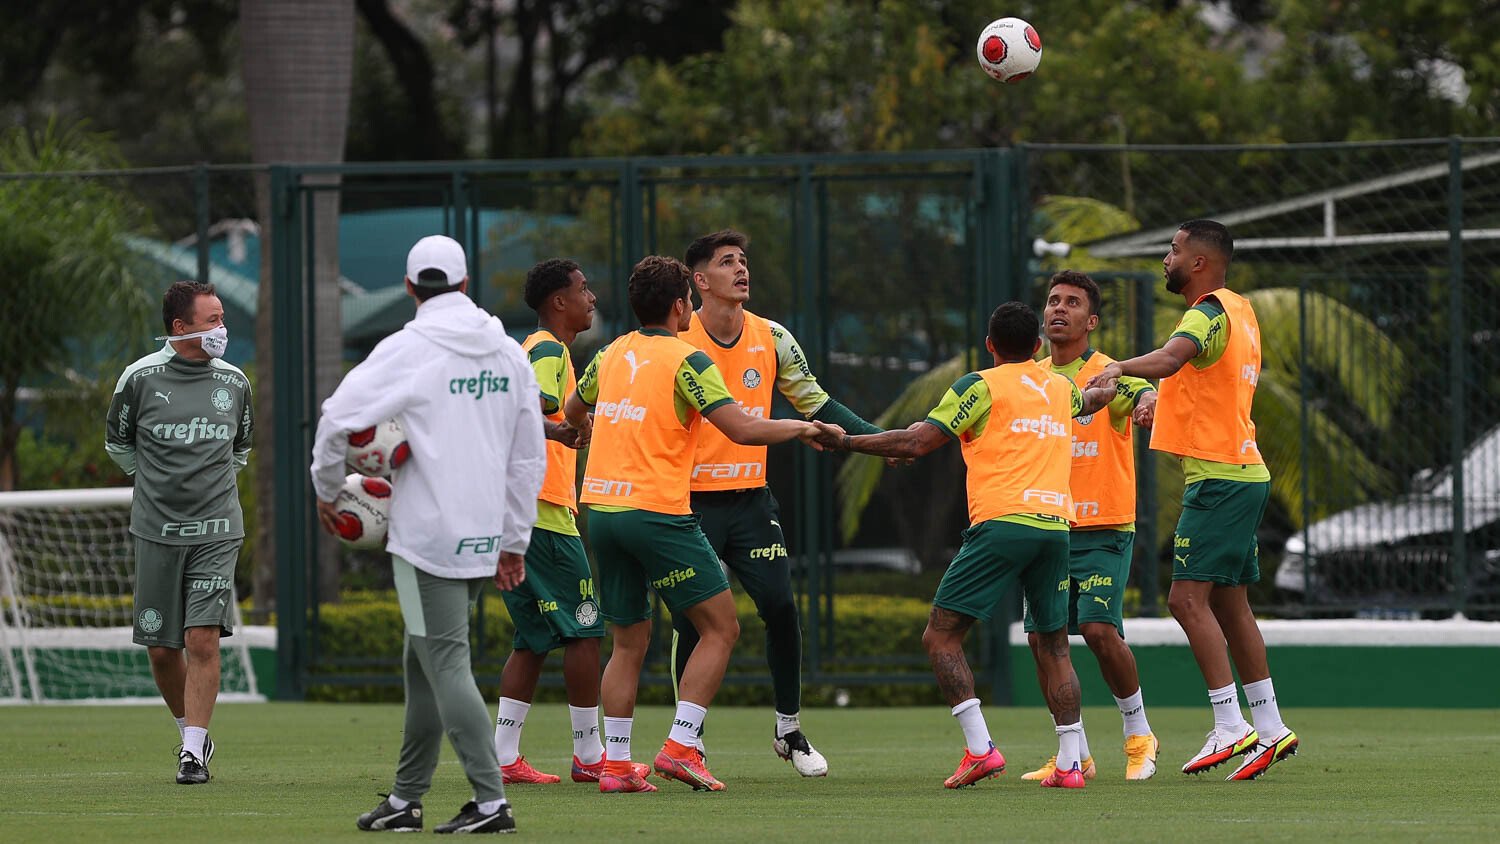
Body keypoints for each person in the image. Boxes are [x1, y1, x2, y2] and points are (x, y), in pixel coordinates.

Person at [814, 302, 1116, 790]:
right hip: (1056, 528)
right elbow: (1093, 399)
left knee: (941, 637)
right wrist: (1111, 382)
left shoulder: (979, 385)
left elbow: (916, 443)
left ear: (990, 345)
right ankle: (1070, 765)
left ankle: (980, 749)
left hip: (1002, 525)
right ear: (1037, 346)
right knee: (1056, 647)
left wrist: (844, 442)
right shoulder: (1059, 388)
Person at [561, 255, 831, 794]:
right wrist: (801, 429)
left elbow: (572, 409)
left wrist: (588, 428)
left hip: (603, 511)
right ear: (681, 305)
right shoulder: (689, 359)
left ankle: (617, 767)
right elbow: (742, 429)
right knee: (721, 627)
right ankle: (683, 746)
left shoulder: (610, 354)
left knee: (629, 641)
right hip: (657, 511)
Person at [310, 235, 544, 833]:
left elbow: (336, 419)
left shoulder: (408, 347)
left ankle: (490, 802)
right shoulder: (507, 351)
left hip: (427, 538)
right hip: (483, 534)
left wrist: (327, 490)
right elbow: (528, 456)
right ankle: (405, 799)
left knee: (444, 661)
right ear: (465, 284)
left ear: (410, 287)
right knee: (423, 661)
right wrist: (514, 539)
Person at [1087, 220, 1299, 781]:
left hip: (1220, 479)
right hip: (1242, 471)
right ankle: (1271, 726)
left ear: (1199, 262)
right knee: (1230, 605)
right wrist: (1160, 406)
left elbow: (1171, 358)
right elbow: (1210, 384)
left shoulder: (1205, 312)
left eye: (1175, 249)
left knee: (1185, 601)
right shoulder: (1240, 311)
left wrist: (1117, 367)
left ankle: (1230, 725)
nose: (1167, 257)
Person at [672, 229, 885, 776]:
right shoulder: (677, 337)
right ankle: (688, 741)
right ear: (700, 281)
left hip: (751, 502)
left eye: (743, 260)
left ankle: (788, 730)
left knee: (782, 609)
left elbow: (816, 403)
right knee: (692, 622)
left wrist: (878, 442)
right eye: (727, 262)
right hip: (690, 503)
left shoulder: (773, 337)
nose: (741, 269)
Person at [491, 259, 647, 786]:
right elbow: (530, 405)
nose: (592, 297)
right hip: (543, 514)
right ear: (559, 301)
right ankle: (589, 754)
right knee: (585, 631)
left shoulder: (533, 348)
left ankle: (503, 757)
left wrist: (570, 426)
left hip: (520, 510)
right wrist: (557, 430)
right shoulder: (548, 350)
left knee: (533, 638)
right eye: (583, 289)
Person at [106, 280, 251, 786]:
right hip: (156, 529)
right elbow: (118, 443)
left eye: (222, 318)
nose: (222, 328)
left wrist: (206, 487)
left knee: (201, 639)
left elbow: (240, 448)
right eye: (213, 320)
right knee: (163, 649)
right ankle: (189, 729)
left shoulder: (234, 381)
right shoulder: (139, 378)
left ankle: (193, 752)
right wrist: (159, 483)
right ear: (180, 327)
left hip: (218, 528)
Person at [1019, 271, 1161, 783]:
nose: (1059, 309)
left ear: (1092, 321)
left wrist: (1147, 403)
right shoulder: (1031, 378)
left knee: (1099, 630)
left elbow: (1142, 392)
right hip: (1048, 526)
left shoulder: (1107, 371)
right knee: (1043, 641)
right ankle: (1074, 753)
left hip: (1104, 525)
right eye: (1053, 300)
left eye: (1073, 303)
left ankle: (1139, 736)